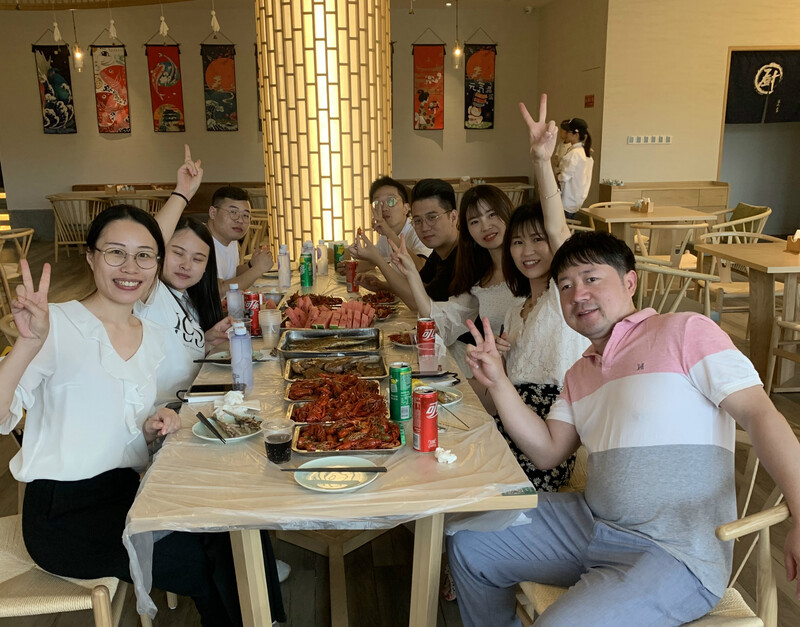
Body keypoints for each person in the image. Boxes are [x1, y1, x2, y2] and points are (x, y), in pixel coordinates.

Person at [447, 229, 800, 627]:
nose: (578, 294)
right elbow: (547, 451)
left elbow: (760, 415)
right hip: (591, 524)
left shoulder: (684, 331)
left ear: (629, 282)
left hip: (673, 553)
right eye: (566, 285)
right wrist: (498, 382)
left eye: (591, 278)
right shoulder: (579, 373)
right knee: (468, 540)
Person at [0, 206, 286, 625]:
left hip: (129, 491)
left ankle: (269, 621)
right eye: (116, 252)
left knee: (237, 517)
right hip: (64, 514)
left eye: (144, 255)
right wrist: (26, 345)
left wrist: (155, 425)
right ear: (91, 256)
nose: (130, 267)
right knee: (207, 560)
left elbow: (124, 420)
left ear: (156, 263)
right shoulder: (56, 325)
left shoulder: (151, 335)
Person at [389, 184, 523, 379]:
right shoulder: (479, 276)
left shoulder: (528, 265)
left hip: (531, 375)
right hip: (496, 374)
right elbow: (441, 320)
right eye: (475, 221)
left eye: (492, 215)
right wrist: (411, 274)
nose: (485, 226)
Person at [134, 147, 232, 406]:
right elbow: (146, 246)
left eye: (198, 259)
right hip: (160, 415)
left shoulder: (188, 299)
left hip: (191, 404)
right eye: (177, 253)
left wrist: (206, 340)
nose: (186, 265)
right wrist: (182, 194)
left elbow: (178, 350)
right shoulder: (151, 293)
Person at [355, 178, 459, 308]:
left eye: (432, 217)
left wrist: (379, 261)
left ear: (453, 217)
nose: (424, 227)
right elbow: (420, 288)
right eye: (418, 220)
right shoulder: (439, 253)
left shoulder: (464, 256)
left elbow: (422, 305)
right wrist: (381, 286)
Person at [347, 176, 431, 274]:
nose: (384, 208)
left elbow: (422, 269)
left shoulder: (418, 230)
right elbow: (372, 263)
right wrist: (349, 267)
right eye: (377, 203)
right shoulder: (385, 236)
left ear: (405, 208)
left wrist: (389, 233)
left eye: (391, 201)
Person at [206, 185, 273, 291]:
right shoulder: (201, 243)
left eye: (245, 215)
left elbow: (231, 274)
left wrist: (251, 264)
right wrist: (258, 269)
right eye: (233, 212)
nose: (240, 220)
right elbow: (218, 290)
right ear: (213, 213)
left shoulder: (231, 240)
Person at [558, 117, 594, 216]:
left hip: (567, 200)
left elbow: (564, 177)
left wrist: (555, 176)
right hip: (577, 200)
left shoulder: (575, 153)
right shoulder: (585, 153)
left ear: (576, 135)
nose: (565, 134)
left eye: (568, 132)